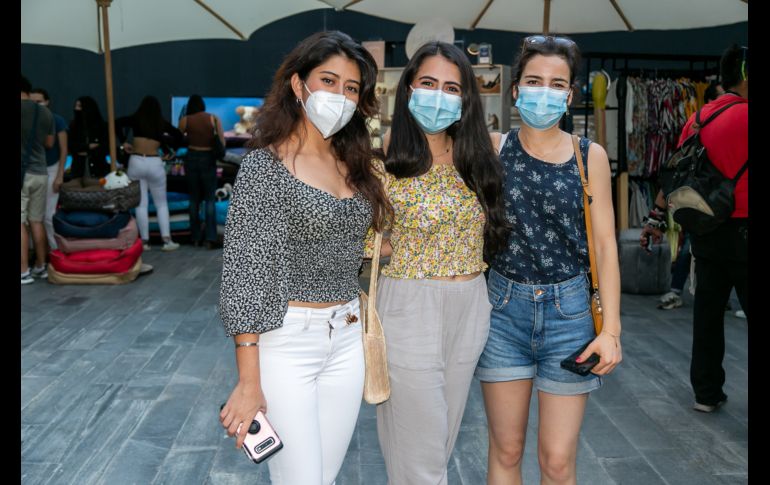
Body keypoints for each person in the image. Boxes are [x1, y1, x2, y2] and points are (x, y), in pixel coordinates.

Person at [218, 31, 389, 485]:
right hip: (285, 342)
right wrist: (248, 380)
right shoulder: (264, 166)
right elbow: (244, 277)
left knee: (322, 478)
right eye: (328, 81)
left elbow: (359, 245)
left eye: (351, 88)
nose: (340, 95)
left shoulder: (356, 164)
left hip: (348, 337)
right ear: (298, 85)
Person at [474, 35, 622, 484]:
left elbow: (604, 246)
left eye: (557, 83)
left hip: (571, 315)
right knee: (507, 449)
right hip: (502, 311)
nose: (545, 91)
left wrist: (611, 330)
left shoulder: (588, 155)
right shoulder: (493, 148)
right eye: (534, 80)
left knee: (557, 461)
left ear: (570, 94)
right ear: (515, 89)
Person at [371, 41, 510, 485]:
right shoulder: (384, 160)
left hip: (471, 306)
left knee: (438, 441)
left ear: (466, 98)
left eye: (452, 87)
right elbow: (366, 241)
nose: (438, 94)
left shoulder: (483, 156)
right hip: (409, 305)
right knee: (426, 454)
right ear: (409, 87)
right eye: (428, 83)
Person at [678, 45, 747, 413]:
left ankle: (706, 392)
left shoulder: (697, 118)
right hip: (744, 228)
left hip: (705, 228)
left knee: (707, 314)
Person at [642, 82, 724, 310]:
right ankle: (678, 290)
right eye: (721, 98)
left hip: (717, 198)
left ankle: (705, 294)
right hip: (700, 197)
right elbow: (677, 169)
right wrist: (656, 215)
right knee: (692, 245)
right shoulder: (697, 124)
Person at [116, 95, 185, 251]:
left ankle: (145, 242)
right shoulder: (161, 123)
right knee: (161, 204)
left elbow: (115, 123)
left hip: (136, 161)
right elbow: (179, 135)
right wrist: (172, 151)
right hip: (155, 162)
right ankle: (167, 241)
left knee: (141, 204)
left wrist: (123, 142)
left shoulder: (135, 119)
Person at [178, 94, 225, 249]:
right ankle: (210, 238)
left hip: (191, 158)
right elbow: (222, 143)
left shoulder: (185, 120)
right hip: (208, 158)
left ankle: (195, 237)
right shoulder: (213, 118)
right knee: (209, 199)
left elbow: (178, 139)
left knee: (194, 199)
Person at [21, 75, 55, 285]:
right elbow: (49, 143)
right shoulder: (45, 112)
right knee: (36, 220)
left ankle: (23, 271)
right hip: (41, 172)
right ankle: (40, 266)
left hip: (21, 174)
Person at [30, 88, 68, 252]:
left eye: (39, 101)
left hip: (51, 169)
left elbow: (64, 149)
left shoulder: (56, 120)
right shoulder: (27, 120)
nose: (35, 105)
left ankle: (55, 251)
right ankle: (35, 252)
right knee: (31, 216)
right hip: (32, 170)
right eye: (32, 102)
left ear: (47, 102)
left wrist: (60, 175)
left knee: (48, 215)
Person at [67, 96, 110, 180]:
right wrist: (88, 146)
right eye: (76, 106)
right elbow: (71, 146)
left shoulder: (101, 126)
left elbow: (106, 147)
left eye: (79, 106)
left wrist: (86, 151)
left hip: (98, 169)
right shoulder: (73, 126)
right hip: (78, 169)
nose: (76, 109)